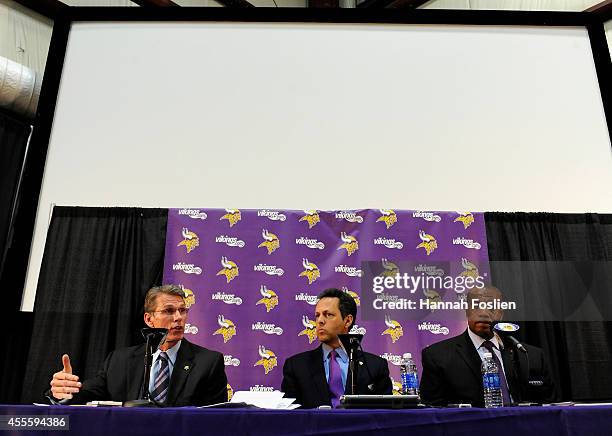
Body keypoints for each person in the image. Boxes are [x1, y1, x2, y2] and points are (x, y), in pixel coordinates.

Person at [48, 284, 228, 406]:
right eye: (169, 311)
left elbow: (216, 419)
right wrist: (63, 392)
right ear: (149, 319)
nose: (178, 318)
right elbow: (89, 394)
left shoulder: (208, 363)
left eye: (182, 310)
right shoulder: (120, 360)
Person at [420, 285, 556, 407]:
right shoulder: (438, 356)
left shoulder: (530, 355)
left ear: (501, 314)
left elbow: (549, 405)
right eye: (477, 305)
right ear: (467, 311)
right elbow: (432, 413)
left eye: (491, 306)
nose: (484, 313)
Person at [282, 288, 392, 408]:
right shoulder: (296, 366)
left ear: (347, 321)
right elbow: (290, 416)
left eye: (328, 315)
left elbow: (385, 415)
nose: (320, 321)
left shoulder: (375, 367)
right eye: (317, 316)